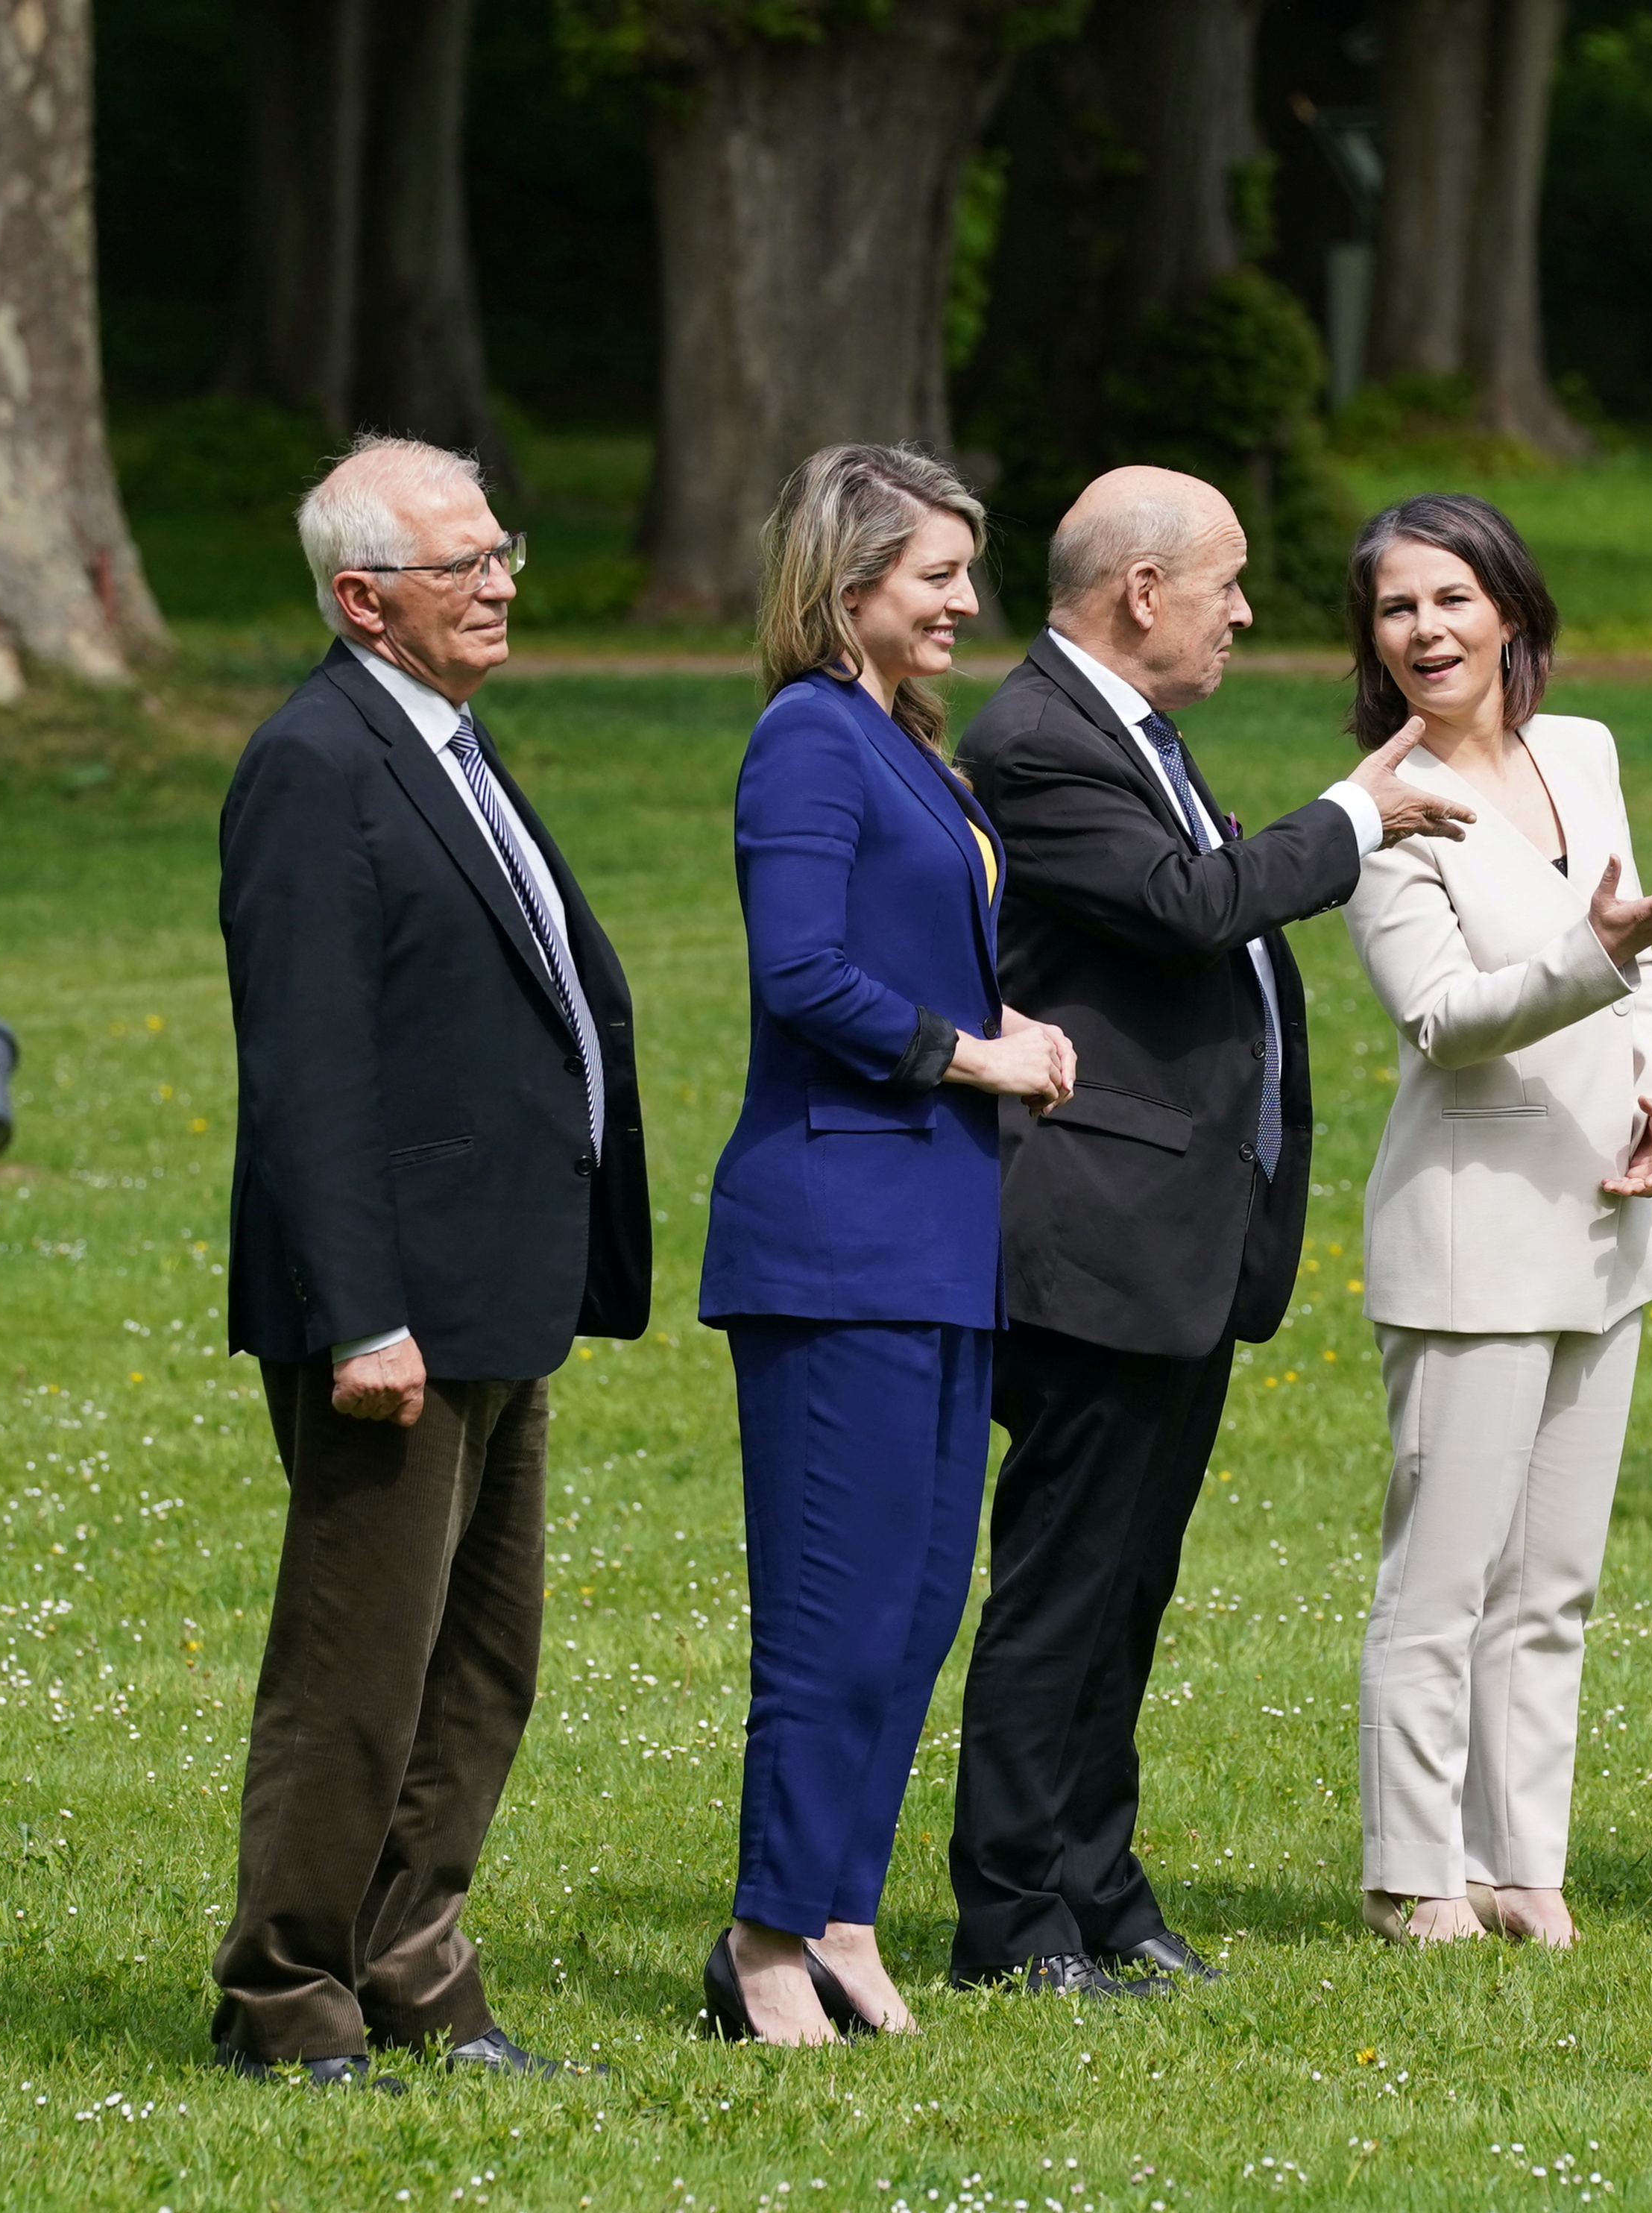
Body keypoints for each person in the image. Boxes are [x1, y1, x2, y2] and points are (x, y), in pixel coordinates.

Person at [947, 466, 1476, 1995]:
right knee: (1063, 1585)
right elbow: (1187, 903)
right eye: (1226, 583)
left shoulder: (1131, 732)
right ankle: (1012, 1917)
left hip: (1175, 1235)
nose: (1243, 612)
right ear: (1141, 591)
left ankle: (1097, 1886)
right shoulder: (1037, 739)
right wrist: (1354, 814)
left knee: (1129, 1584)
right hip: (1095, 1233)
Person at [211, 434, 651, 2086]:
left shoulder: (448, 742)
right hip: (395, 1308)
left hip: (498, 1287)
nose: (500, 581)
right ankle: (284, 1997)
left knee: (480, 1662)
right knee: (357, 1670)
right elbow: (306, 1068)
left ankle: (414, 1969)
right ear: (361, 599)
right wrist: (360, 1316)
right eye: (461, 563)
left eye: (499, 549)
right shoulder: (314, 762)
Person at [697, 446, 1076, 2044]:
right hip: (834, 1236)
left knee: (916, 1602)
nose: (966, 602)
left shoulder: (902, 740)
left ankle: (840, 1913)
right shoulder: (805, 735)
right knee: (833, 1608)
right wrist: (972, 1054)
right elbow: (798, 972)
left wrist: (1006, 1024)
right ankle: (760, 1940)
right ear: (846, 582)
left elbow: (904, 948)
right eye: (937, 573)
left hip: (935, 1231)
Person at [1336, 494, 1652, 1948]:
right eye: (1395, 609)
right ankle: (1411, 1870)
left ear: (1508, 608)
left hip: (1602, 1226)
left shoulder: (1583, 751)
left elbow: (1642, 969)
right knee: (1442, 1579)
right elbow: (1443, 1018)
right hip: (1469, 1237)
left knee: (1550, 1583)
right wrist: (1598, 952)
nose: (1426, 630)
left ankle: (1518, 1863)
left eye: (1451, 598)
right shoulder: (1383, 807)